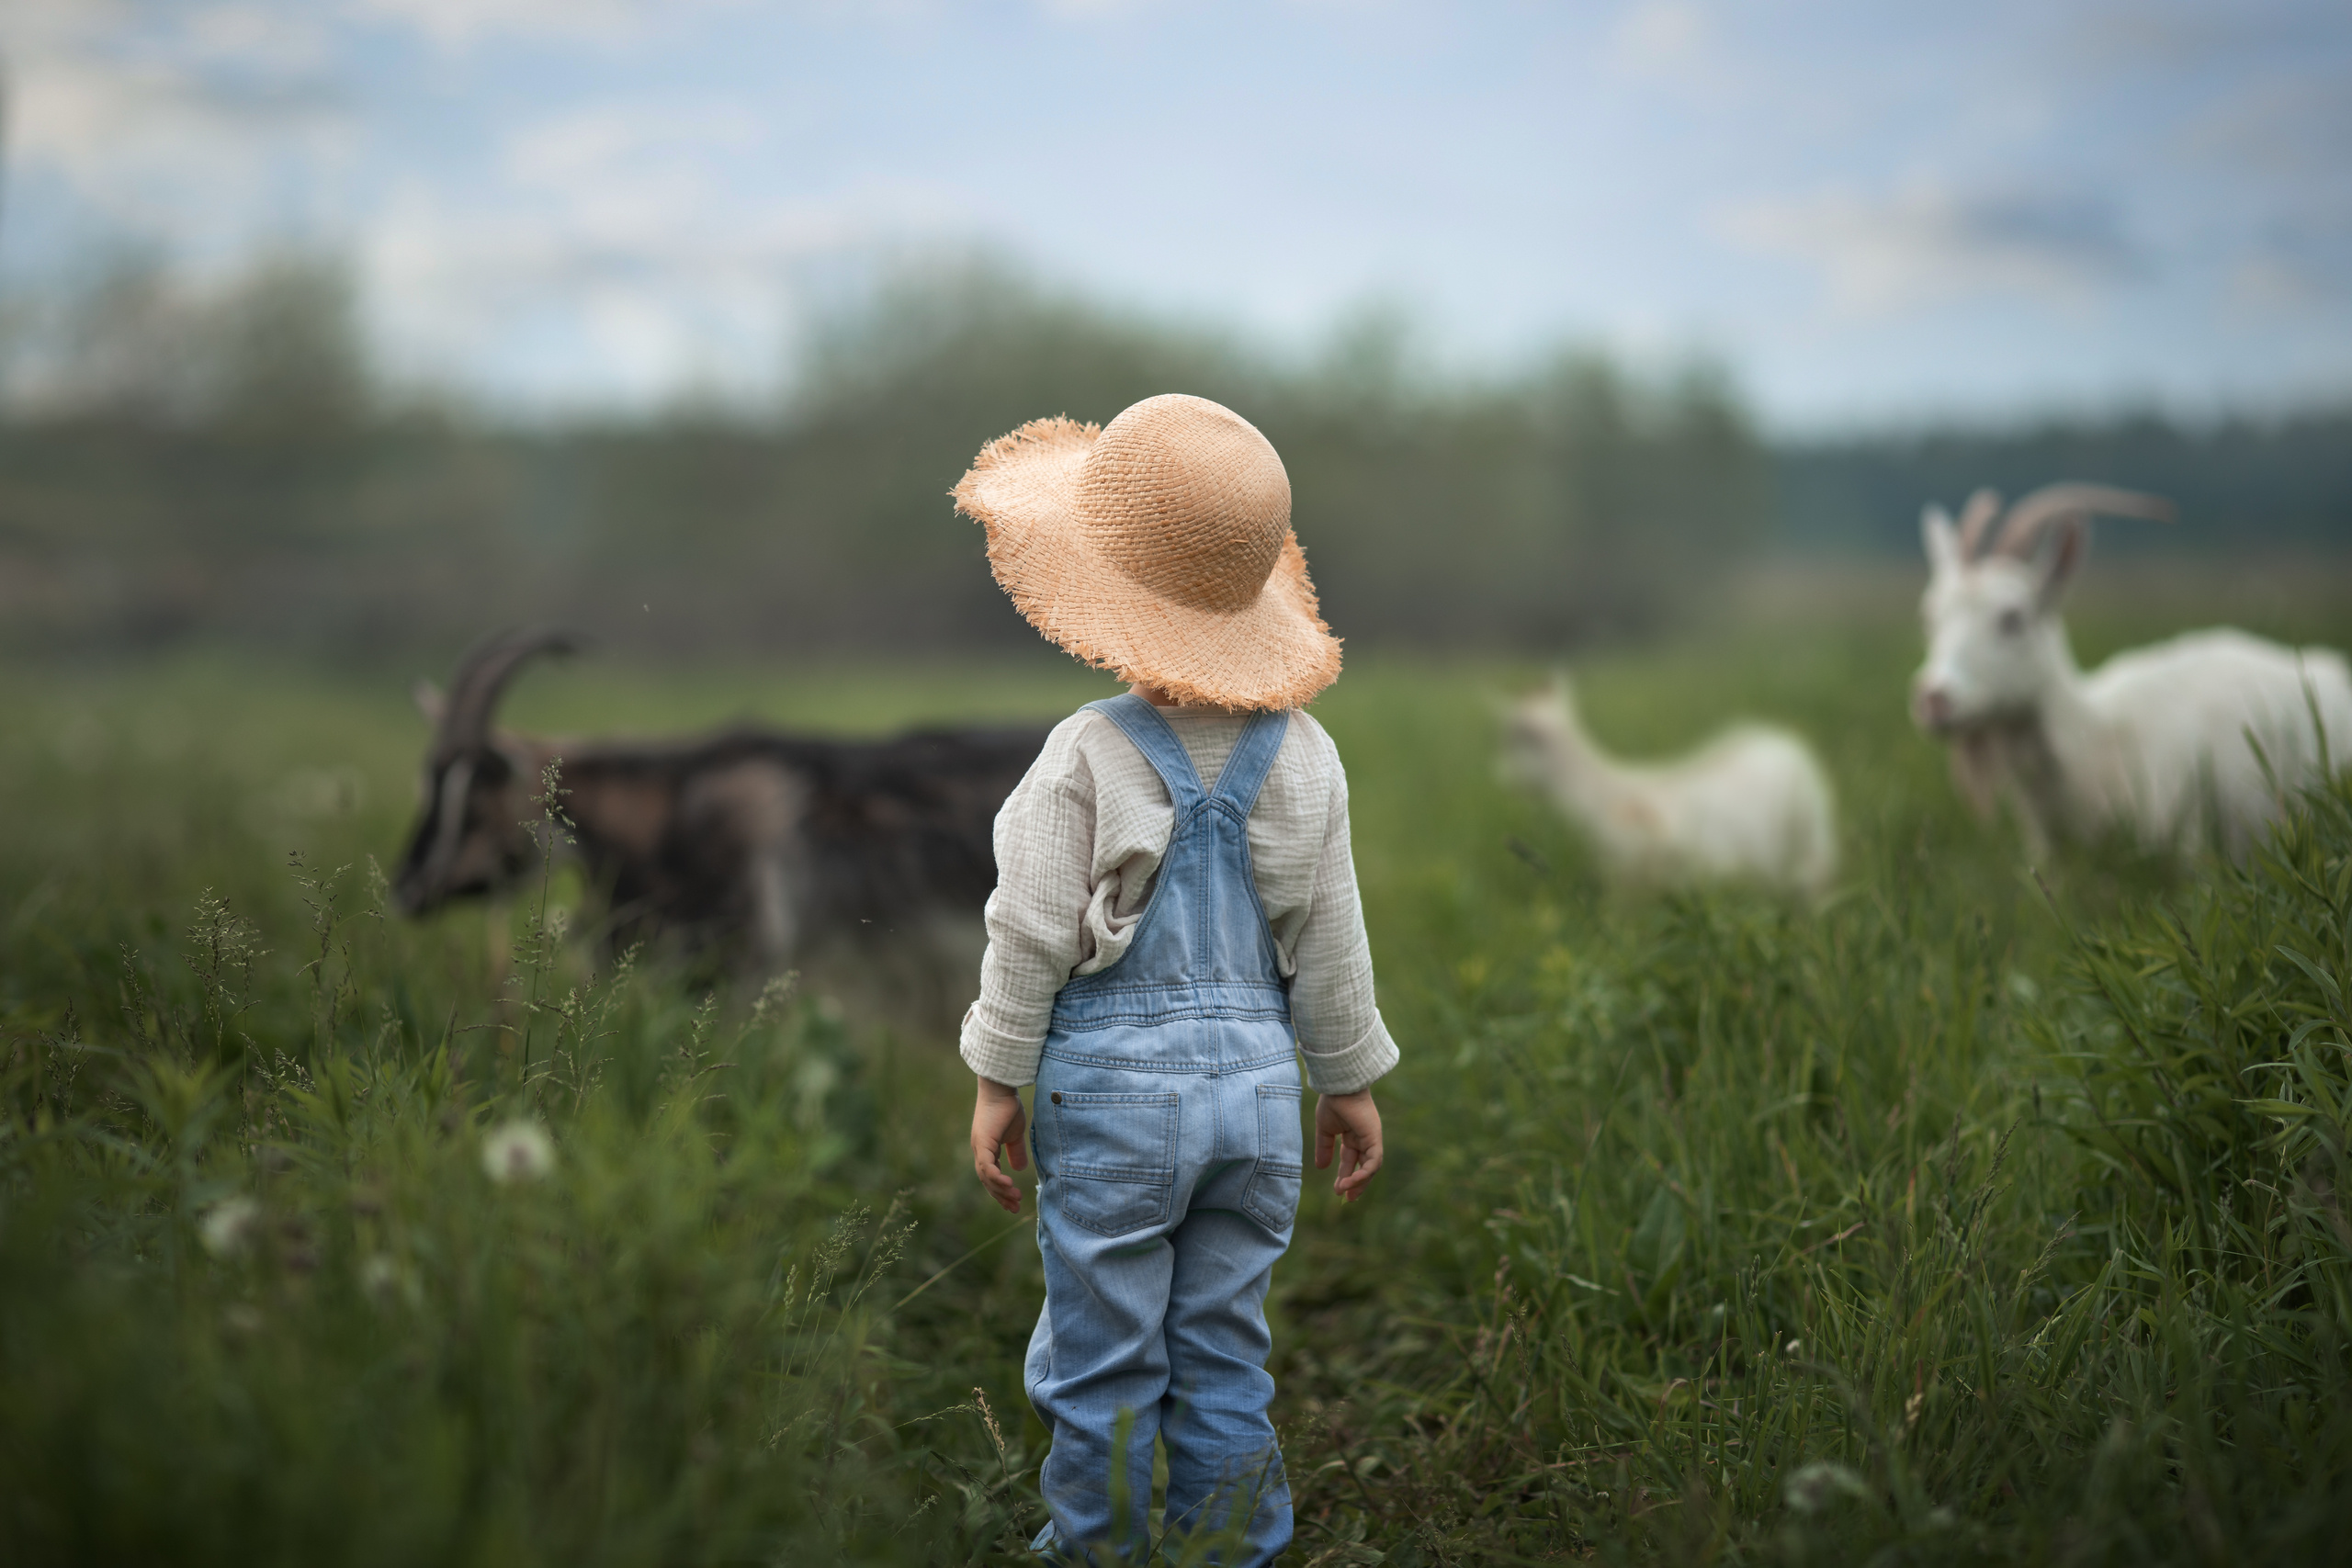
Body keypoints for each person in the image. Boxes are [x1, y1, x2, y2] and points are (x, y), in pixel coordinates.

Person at [954, 393, 1398, 1564]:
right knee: (1221, 1347)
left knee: (1102, 1356)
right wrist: (1345, 1081)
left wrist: (999, 1075)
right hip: (1256, 1097)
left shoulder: (1088, 754)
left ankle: (1098, 1551)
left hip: (1113, 1101)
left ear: (1103, 600)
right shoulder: (1305, 757)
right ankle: (1230, 1552)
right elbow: (1332, 938)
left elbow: (1029, 933)